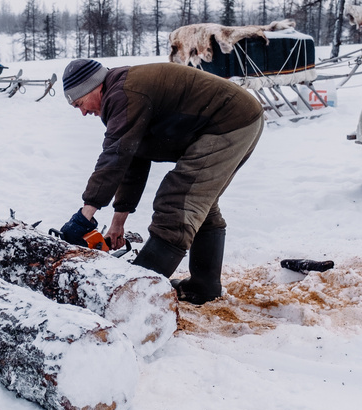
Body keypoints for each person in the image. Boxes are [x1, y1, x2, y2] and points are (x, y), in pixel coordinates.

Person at [58, 59, 265, 304]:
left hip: (229, 122)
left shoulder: (122, 94)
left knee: (177, 203)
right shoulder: (120, 91)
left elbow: (114, 156)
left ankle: (132, 298)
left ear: (93, 87)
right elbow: (132, 160)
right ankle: (204, 287)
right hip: (238, 119)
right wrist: (117, 223)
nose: (83, 112)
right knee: (200, 205)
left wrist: (85, 215)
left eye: (80, 104)